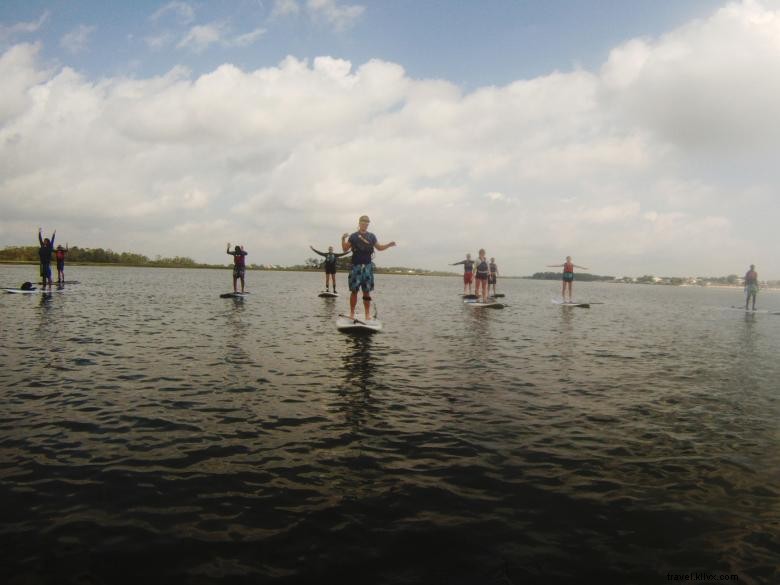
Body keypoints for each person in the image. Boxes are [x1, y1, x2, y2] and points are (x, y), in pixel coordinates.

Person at [341, 215, 396, 321]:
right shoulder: (353, 236)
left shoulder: (372, 236)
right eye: (363, 222)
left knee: (366, 291)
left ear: (368, 224)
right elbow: (344, 249)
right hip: (355, 266)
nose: (365, 224)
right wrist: (343, 239)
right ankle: (352, 313)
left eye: (367, 222)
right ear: (359, 223)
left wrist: (388, 245)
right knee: (354, 291)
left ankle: (367, 314)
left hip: (367, 266)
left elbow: (379, 248)